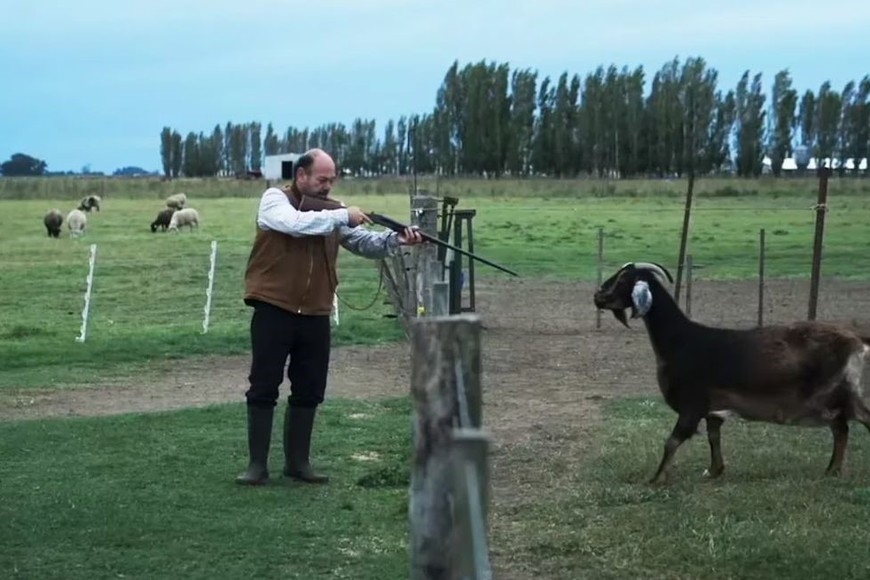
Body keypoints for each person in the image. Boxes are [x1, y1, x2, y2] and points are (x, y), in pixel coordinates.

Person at [237, 148, 423, 486]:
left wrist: (396, 238)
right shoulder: (274, 200)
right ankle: (256, 466)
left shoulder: (333, 211)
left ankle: (297, 464)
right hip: (273, 307)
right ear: (301, 176)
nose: (328, 186)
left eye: (332, 180)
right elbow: (293, 225)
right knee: (264, 385)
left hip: (316, 310)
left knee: (309, 388)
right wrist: (342, 215)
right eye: (322, 179)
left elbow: (364, 243)